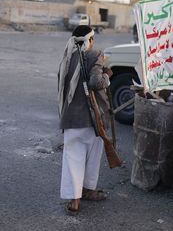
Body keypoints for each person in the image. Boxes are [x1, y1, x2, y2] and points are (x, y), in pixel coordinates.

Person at [57, 25, 114, 215]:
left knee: (73, 159)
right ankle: (89, 190)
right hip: (92, 118)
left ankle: (75, 201)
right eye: (93, 38)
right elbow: (95, 82)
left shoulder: (67, 57)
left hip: (71, 119)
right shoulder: (95, 54)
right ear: (89, 40)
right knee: (92, 157)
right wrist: (107, 75)